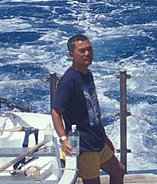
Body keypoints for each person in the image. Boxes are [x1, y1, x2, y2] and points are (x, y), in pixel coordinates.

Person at [51, 34, 126, 184]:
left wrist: (105, 138)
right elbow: (56, 112)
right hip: (85, 146)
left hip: (97, 140)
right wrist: (64, 139)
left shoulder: (87, 74)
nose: (87, 54)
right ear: (71, 55)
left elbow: (94, 109)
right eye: (82, 51)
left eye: (89, 49)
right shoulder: (68, 81)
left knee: (119, 171)